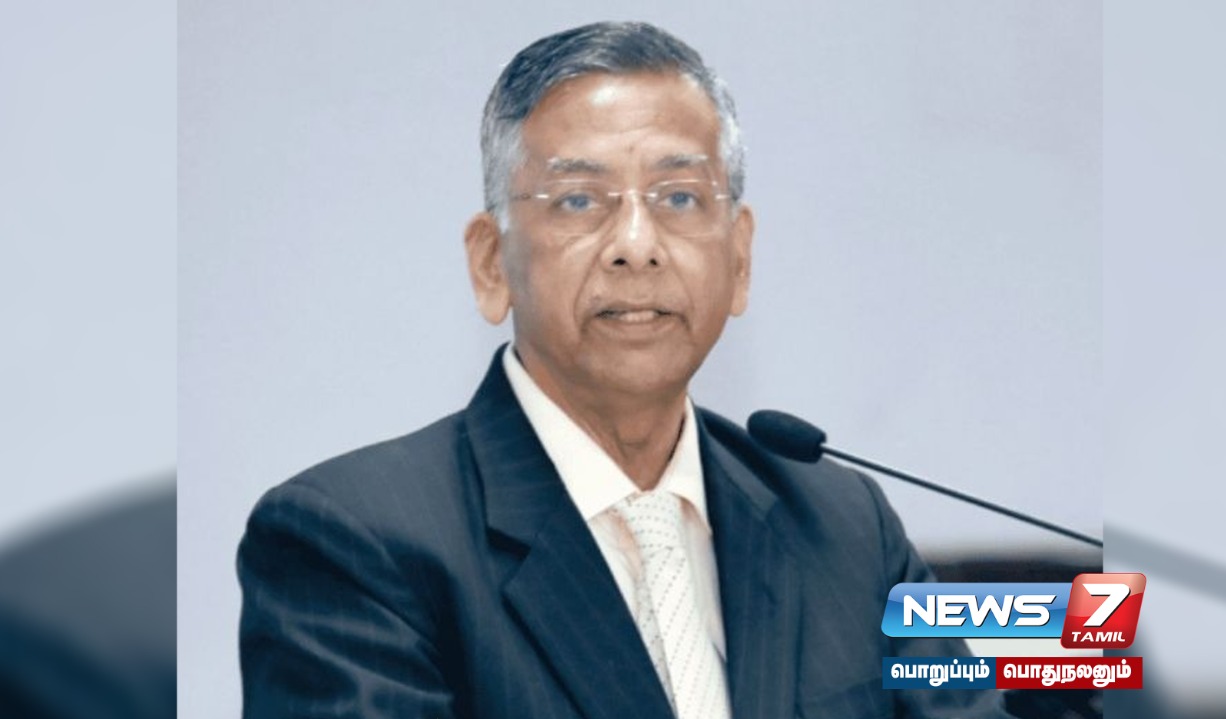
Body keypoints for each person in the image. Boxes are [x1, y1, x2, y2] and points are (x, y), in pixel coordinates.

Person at [238, 21, 1011, 719]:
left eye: (679, 197)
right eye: (579, 200)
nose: (636, 245)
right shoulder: (355, 543)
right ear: (491, 263)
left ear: (739, 259)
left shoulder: (844, 528)